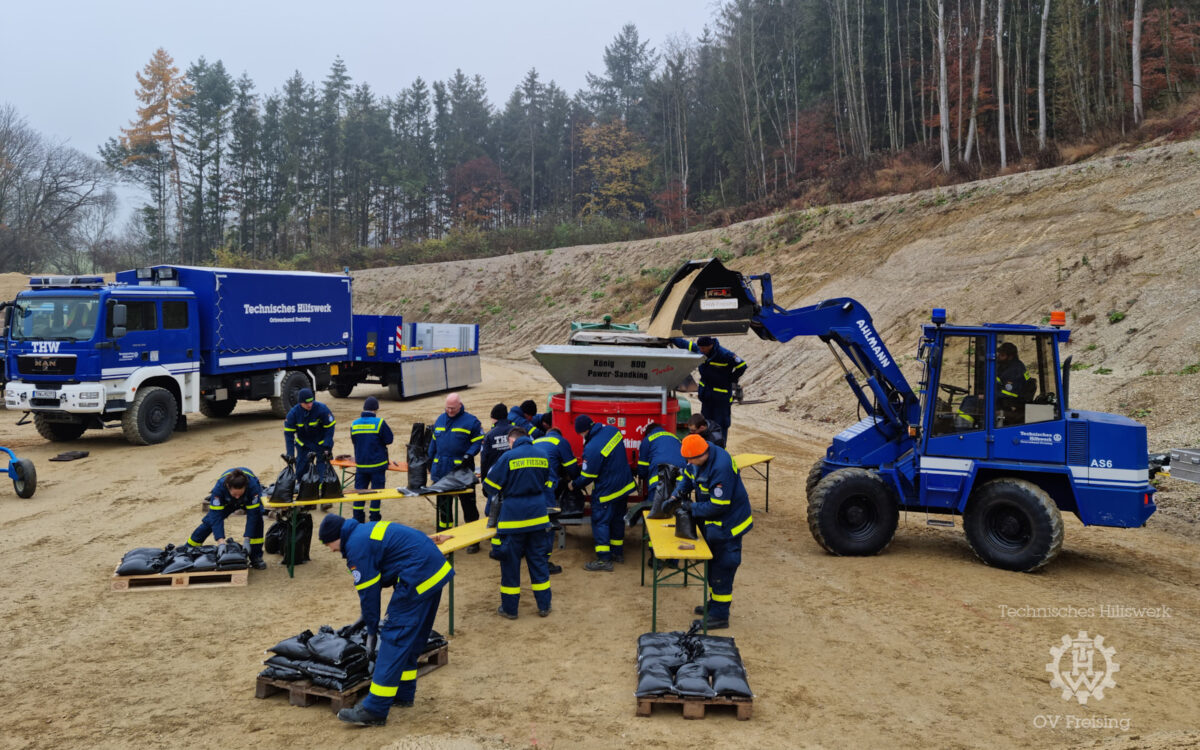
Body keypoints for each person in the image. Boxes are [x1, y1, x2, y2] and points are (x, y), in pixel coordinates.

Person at [318, 514, 453, 727]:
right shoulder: (365, 531)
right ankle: (403, 692)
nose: (332, 550)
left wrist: (372, 630)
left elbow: (369, 594)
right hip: (434, 570)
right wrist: (365, 618)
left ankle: (375, 709)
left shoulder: (355, 546)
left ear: (337, 537)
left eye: (329, 544)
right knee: (413, 637)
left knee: (393, 637)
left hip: (417, 576)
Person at [668, 434, 753, 630]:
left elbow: (719, 506)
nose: (688, 463)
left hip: (730, 524)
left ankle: (720, 615)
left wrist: (692, 508)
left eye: (691, 459)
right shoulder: (697, 458)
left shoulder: (721, 466)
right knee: (713, 566)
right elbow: (688, 477)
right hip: (715, 523)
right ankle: (714, 605)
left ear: (703, 453)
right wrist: (675, 496)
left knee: (724, 566)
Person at [482, 428, 553, 619]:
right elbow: (548, 482)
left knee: (510, 565)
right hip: (538, 517)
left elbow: (490, 486)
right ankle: (544, 606)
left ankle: (510, 609)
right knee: (538, 563)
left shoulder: (508, 457)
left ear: (511, 440)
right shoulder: (543, 455)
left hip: (513, 519)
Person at [572, 415, 637, 571]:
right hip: (624, 486)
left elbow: (587, 477)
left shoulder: (592, 447)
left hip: (607, 491)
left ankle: (603, 559)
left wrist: (573, 484)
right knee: (617, 520)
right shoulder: (613, 431)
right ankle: (617, 553)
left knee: (600, 521)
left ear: (584, 431)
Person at [671, 336, 745, 448]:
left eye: (703, 348)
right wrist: (671, 338)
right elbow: (685, 344)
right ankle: (704, 449)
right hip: (707, 397)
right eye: (700, 348)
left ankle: (720, 450)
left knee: (720, 426)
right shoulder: (699, 349)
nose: (701, 350)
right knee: (704, 425)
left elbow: (742, 365)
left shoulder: (724, 354)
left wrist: (731, 379)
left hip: (721, 400)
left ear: (710, 346)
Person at [187, 467, 267, 569]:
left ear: (245, 487)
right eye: (235, 494)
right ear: (228, 486)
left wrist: (247, 539)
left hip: (248, 499)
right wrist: (221, 542)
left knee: (257, 522)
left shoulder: (253, 487)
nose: (237, 497)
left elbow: (253, 516)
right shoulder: (219, 489)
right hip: (227, 502)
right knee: (209, 522)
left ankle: (256, 557)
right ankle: (189, 549)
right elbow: (216, 518)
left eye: (240, 493)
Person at [532, 417, 580, 576]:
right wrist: (574, 481)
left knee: (531, 520)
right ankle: (543, 562)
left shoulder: (537, 441)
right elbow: (571, 467)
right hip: (546, 487)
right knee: (548, 522)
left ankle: (529, 553)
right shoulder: (561, 442)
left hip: (529, 485)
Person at [429, 393, 483, 532]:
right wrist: (429, 460)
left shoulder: (471, 421)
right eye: (447, 408)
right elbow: (433, 442)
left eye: (453, 408)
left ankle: (473, 539)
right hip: (441, 472)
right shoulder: (440, 419)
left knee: (468, 506)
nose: (450, 411)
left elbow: (478, 441)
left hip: (462, 472)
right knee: (444, 508)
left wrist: (468, 455)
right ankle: (444, 536)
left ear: (460, 405)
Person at [350, 396, 394, 523]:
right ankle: (374, 520)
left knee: (359, 494)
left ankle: (357, 519)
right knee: (376, 494)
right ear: (376, 410)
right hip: (377, 466)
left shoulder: (354, 424)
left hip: (361, 466)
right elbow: (389, 440)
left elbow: (354, 441)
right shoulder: (379, 423)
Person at [479, 403, 513, 557]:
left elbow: (484, 459)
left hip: (496, 479)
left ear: (494, 418)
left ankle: (497, 545)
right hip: (514, 478)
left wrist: (484, 481)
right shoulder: (517, 431)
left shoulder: (490, 435)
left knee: (491, 510)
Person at [284, 388, 336, 471]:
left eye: (311, 401)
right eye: (306, 403)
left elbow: (330, 428)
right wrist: (290, 454)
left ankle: (322, 483)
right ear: (300, 402)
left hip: (321, 444)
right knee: (301, 471)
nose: (309, 405)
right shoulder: (293, 414)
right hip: (304, 445)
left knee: (324, 472)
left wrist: (327, 447)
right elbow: (288, 435)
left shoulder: (322, 409)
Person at [637, 421, 686, 489]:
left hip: (660, 469)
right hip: (680, 468)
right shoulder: (675, 437)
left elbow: (643, 465)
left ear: (648, 432)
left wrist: (642, 476)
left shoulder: (648, 438)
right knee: (678, 495)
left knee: (656, 496)